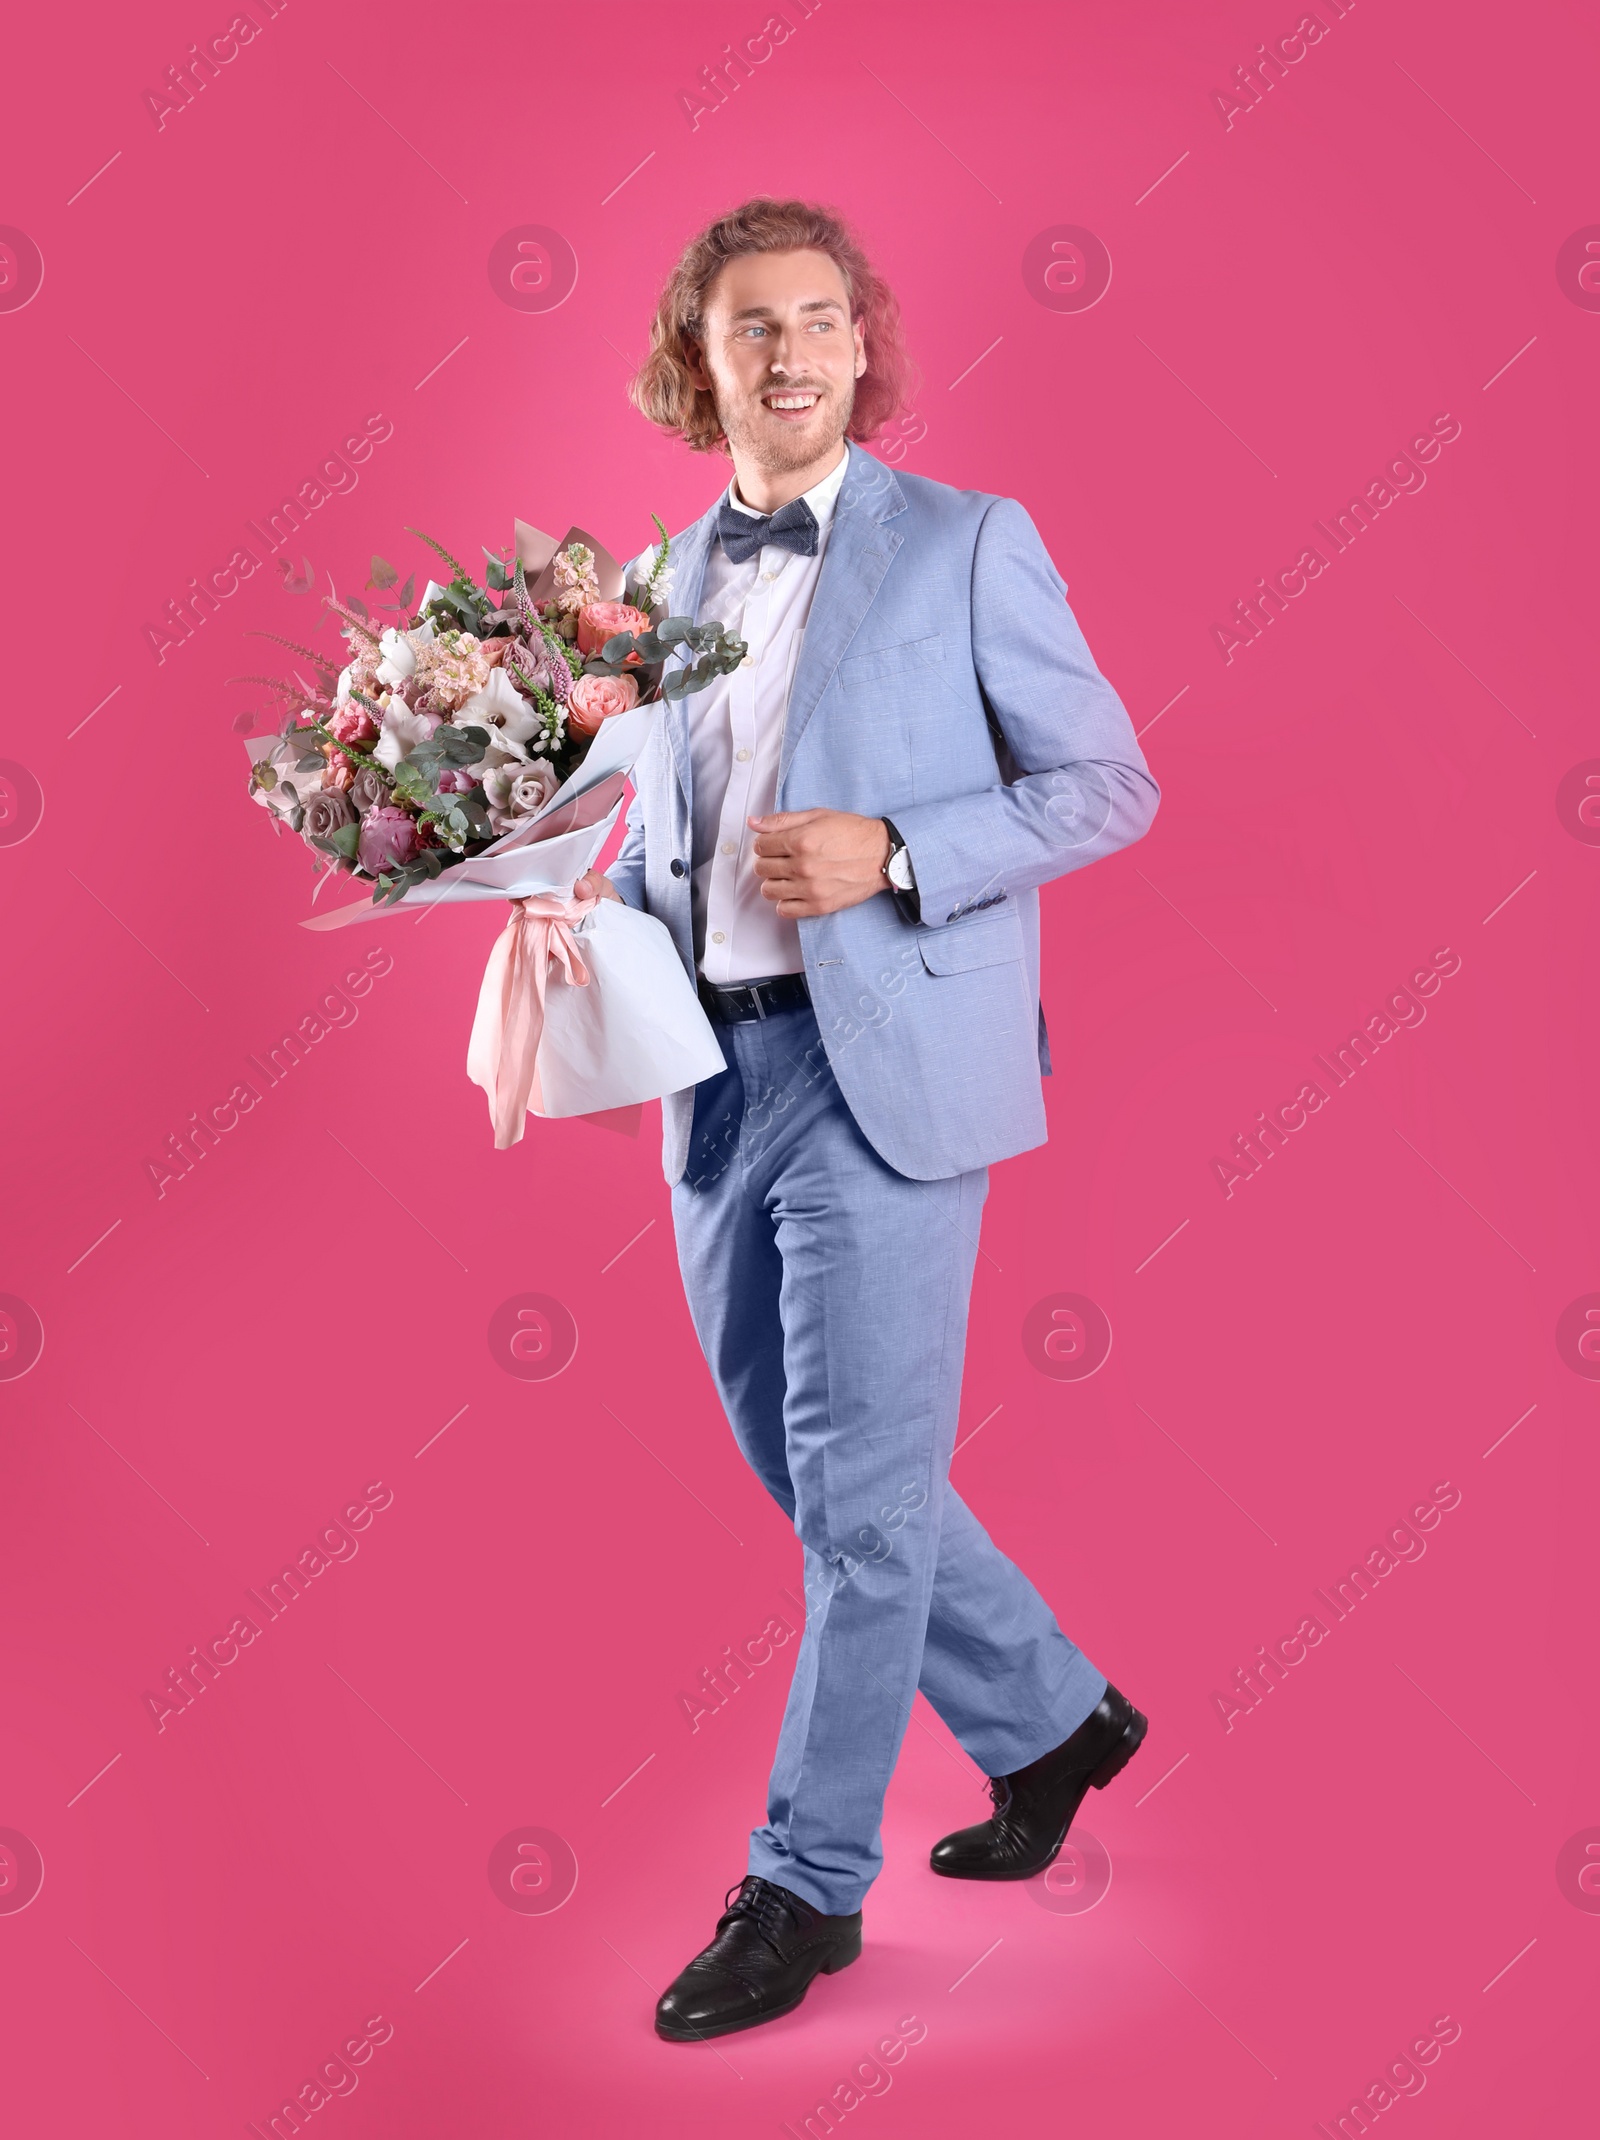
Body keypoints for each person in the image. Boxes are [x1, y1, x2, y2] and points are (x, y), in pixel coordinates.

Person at [575, 198, 1160, 2044]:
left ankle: (803, 1887)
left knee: (862, 1508)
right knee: (815, 1470)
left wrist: (902, 851)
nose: (795, 355)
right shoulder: (666, 579)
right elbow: (664, 831)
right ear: (701, 362)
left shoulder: (970, 547)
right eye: (754, 328)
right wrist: (548, 889)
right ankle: (1054, 1718)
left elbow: (1108, 783)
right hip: (710, 1071)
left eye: (822, 320)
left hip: (885, 1075)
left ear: (860, 345)